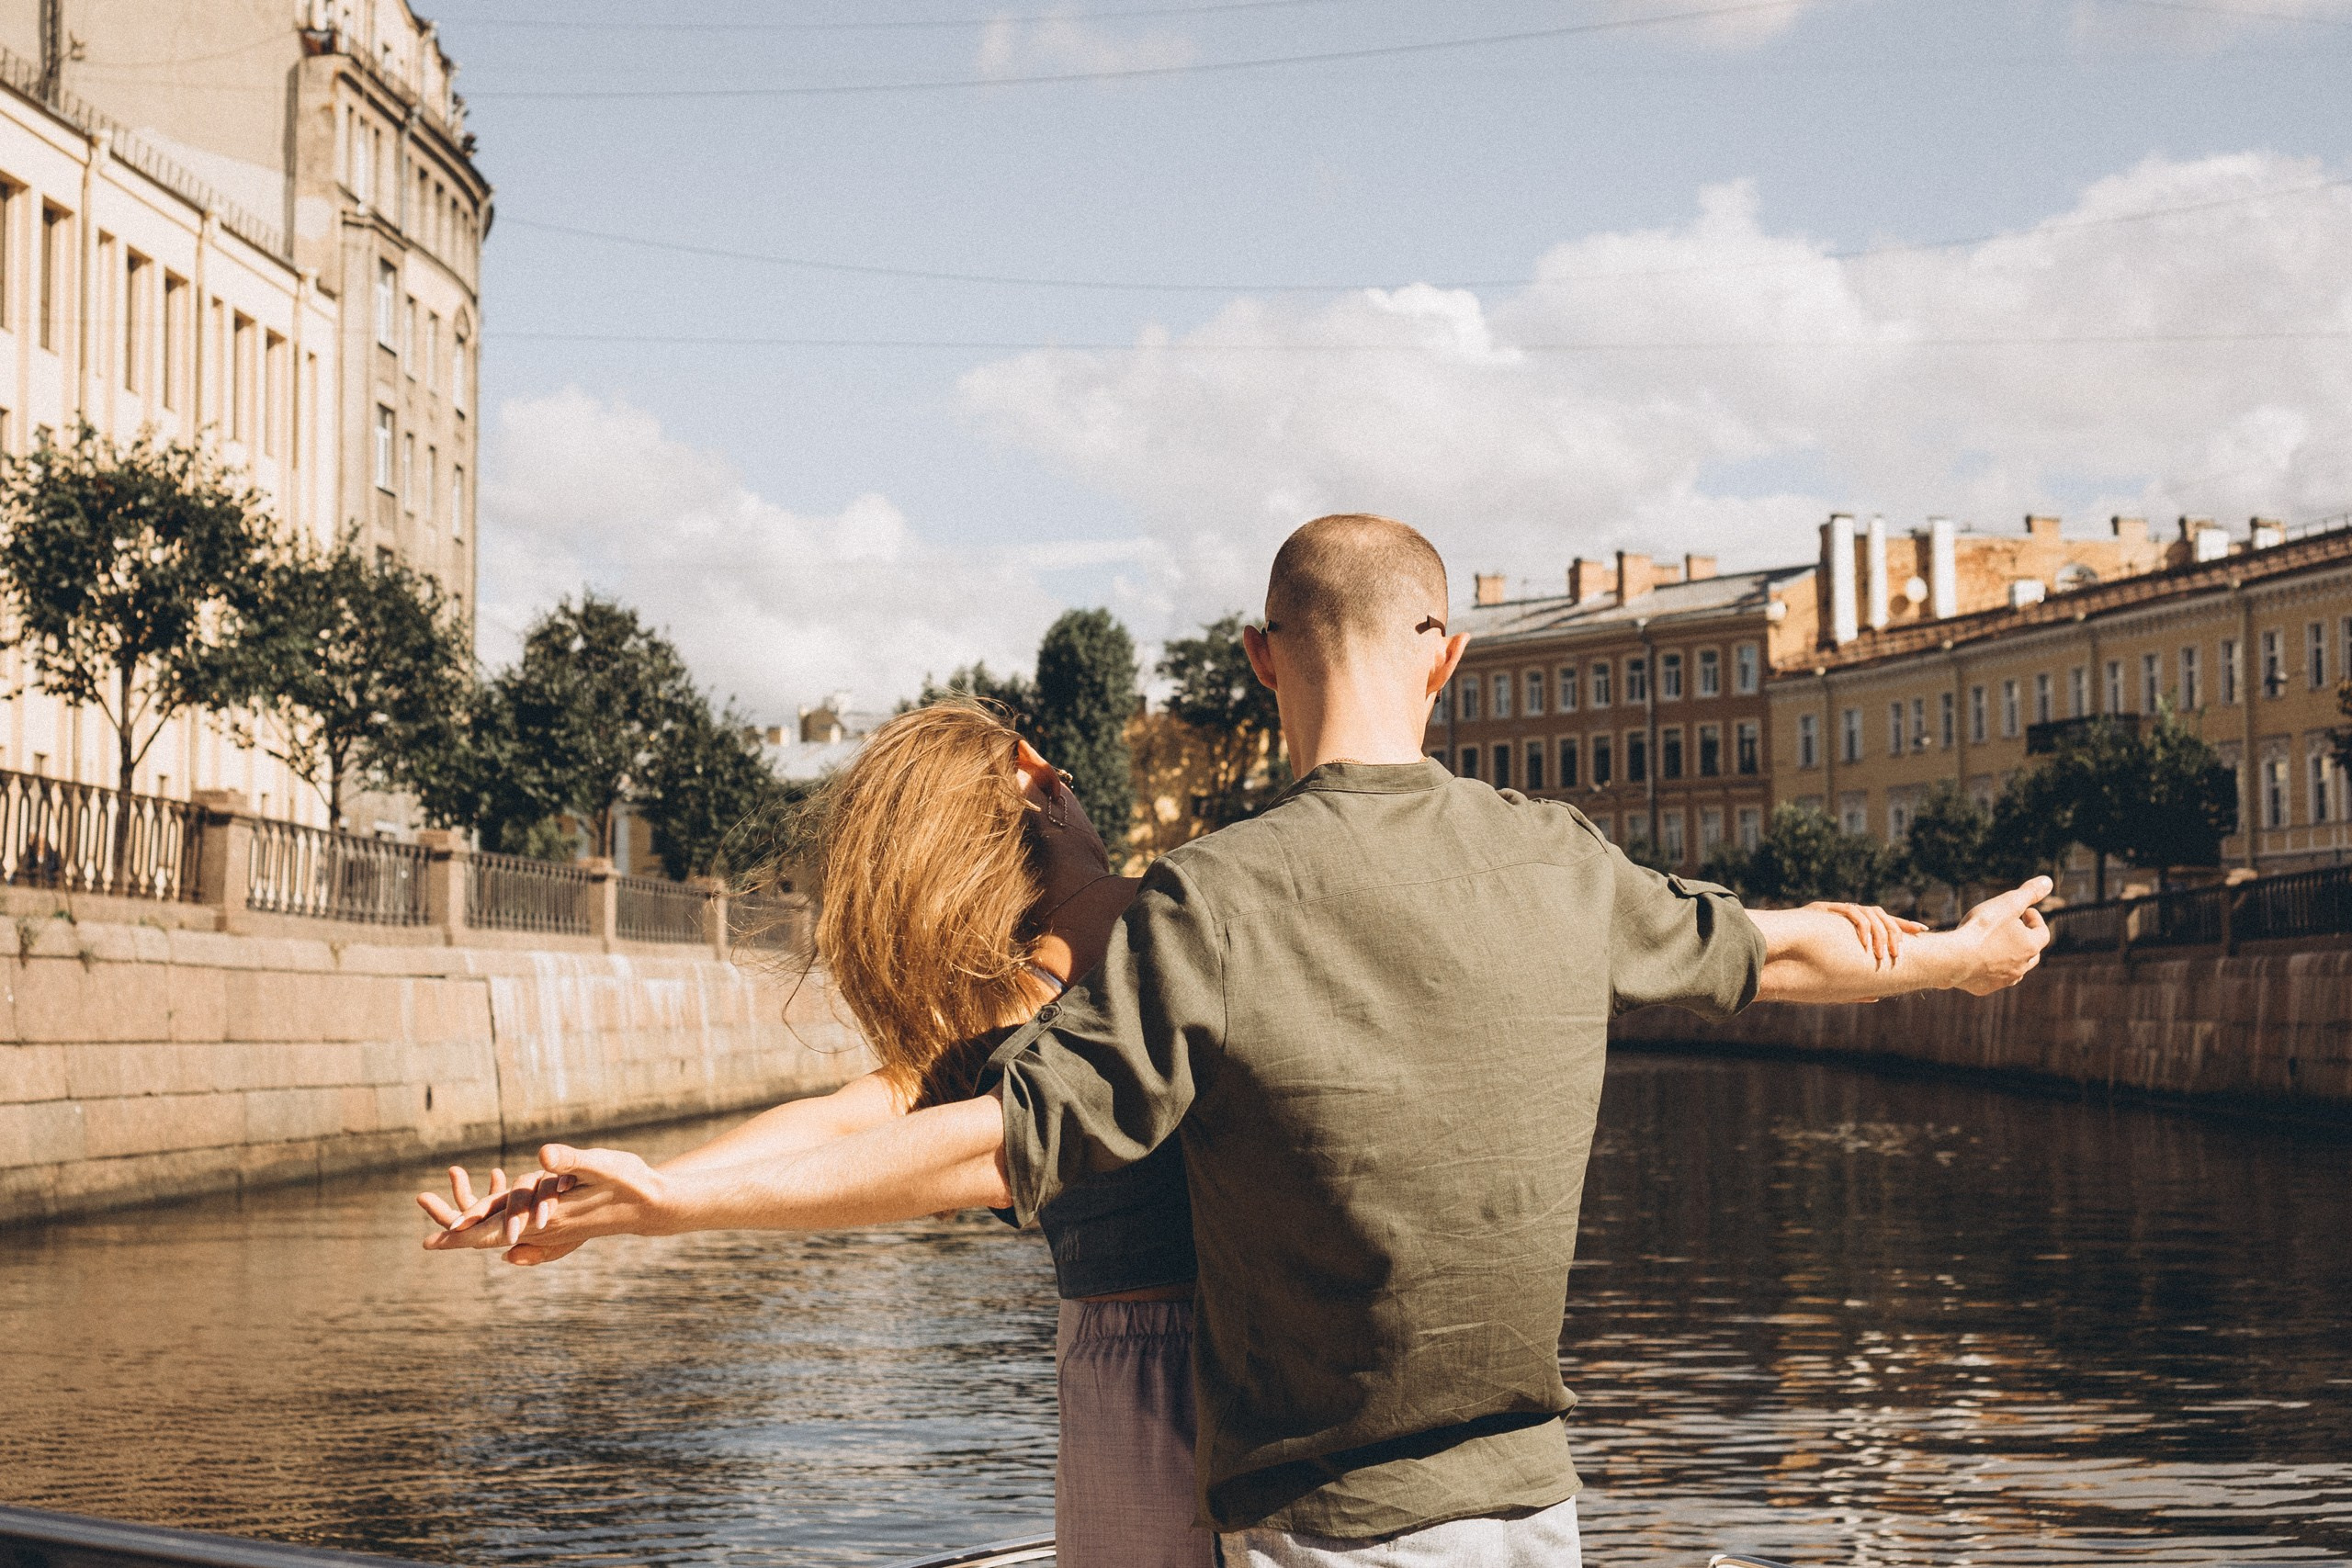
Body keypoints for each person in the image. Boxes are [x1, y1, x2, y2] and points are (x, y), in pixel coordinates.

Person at [442, 514, 2046, 1566]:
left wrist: (669, 1200)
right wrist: (1964, 958)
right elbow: (1793, 945)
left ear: (1262, 663)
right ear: (1450, 657)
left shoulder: (1212, 903)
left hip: (1299, 1502)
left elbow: (976, 1136)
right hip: (1528, 1507)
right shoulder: (1557, 863)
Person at [421, 700, 1213, 1568]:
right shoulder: (1158, 915)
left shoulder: (1017, 1003)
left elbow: (850, 1113)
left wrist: (642, 1193)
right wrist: (656, 1199)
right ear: (1032, 769)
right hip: (1225, 1360)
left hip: (1100, 1374)